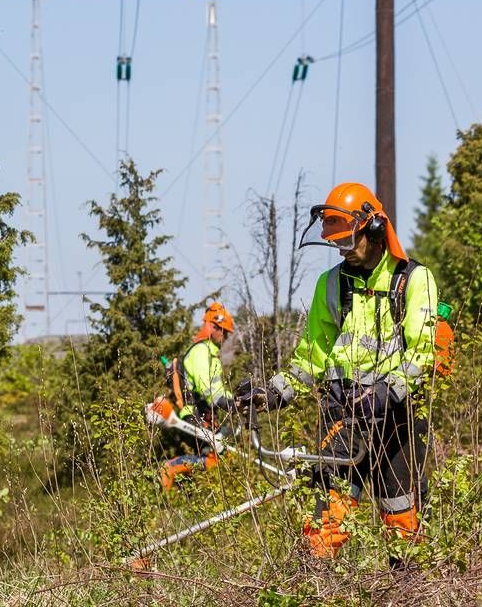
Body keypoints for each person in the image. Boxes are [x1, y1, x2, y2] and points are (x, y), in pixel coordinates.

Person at [240, 182, 439, 556]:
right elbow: (310, 359)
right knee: (322, 530)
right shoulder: (329, 285)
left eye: (348, 240)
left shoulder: (412, 280)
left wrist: (389, 391)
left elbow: (423, 354)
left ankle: (409, 592)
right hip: (342, 418)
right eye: (336, 241)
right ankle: (314, 592)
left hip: (397, 422)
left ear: (375, 229)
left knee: (404, 526)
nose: (341, 249)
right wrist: (273, 392)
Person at [150, 301, 235, 491]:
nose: (226, 337)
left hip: (206, 414)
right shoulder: (200, 352)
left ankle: (190, 495)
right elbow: (208, 390)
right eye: (224, 332)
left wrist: (237, 401)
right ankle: (170, 468)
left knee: (222, 459)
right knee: (213, 461)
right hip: (193, 415)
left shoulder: (211, 355)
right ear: (213, 326)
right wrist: (229, 403)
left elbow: (218, 388)